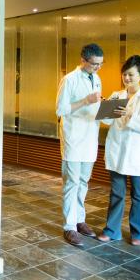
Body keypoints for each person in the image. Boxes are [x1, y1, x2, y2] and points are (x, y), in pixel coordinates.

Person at [97, 55, 140, 246]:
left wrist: (131, 115)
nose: (127, 78)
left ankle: (139, 233)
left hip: (136, 154)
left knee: (139, 193)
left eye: (131, 74)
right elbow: (106, 122)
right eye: (125, 74)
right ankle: (112, 230)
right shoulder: (118, 95)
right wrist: (104, 107)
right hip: (117, 149)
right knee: (117, 192)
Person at [56, 43, 104, 246]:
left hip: (90, 138)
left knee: (83, 182)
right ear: (83, 60)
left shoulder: (97, 78)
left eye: (101, 64)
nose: (98, 68)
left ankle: (79, 220)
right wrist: (85, 100)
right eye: (94, 64)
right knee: (71, 183)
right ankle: (69, 227)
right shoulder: (69, 80)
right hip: (73, 139)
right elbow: (60, 109)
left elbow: (96, 106)